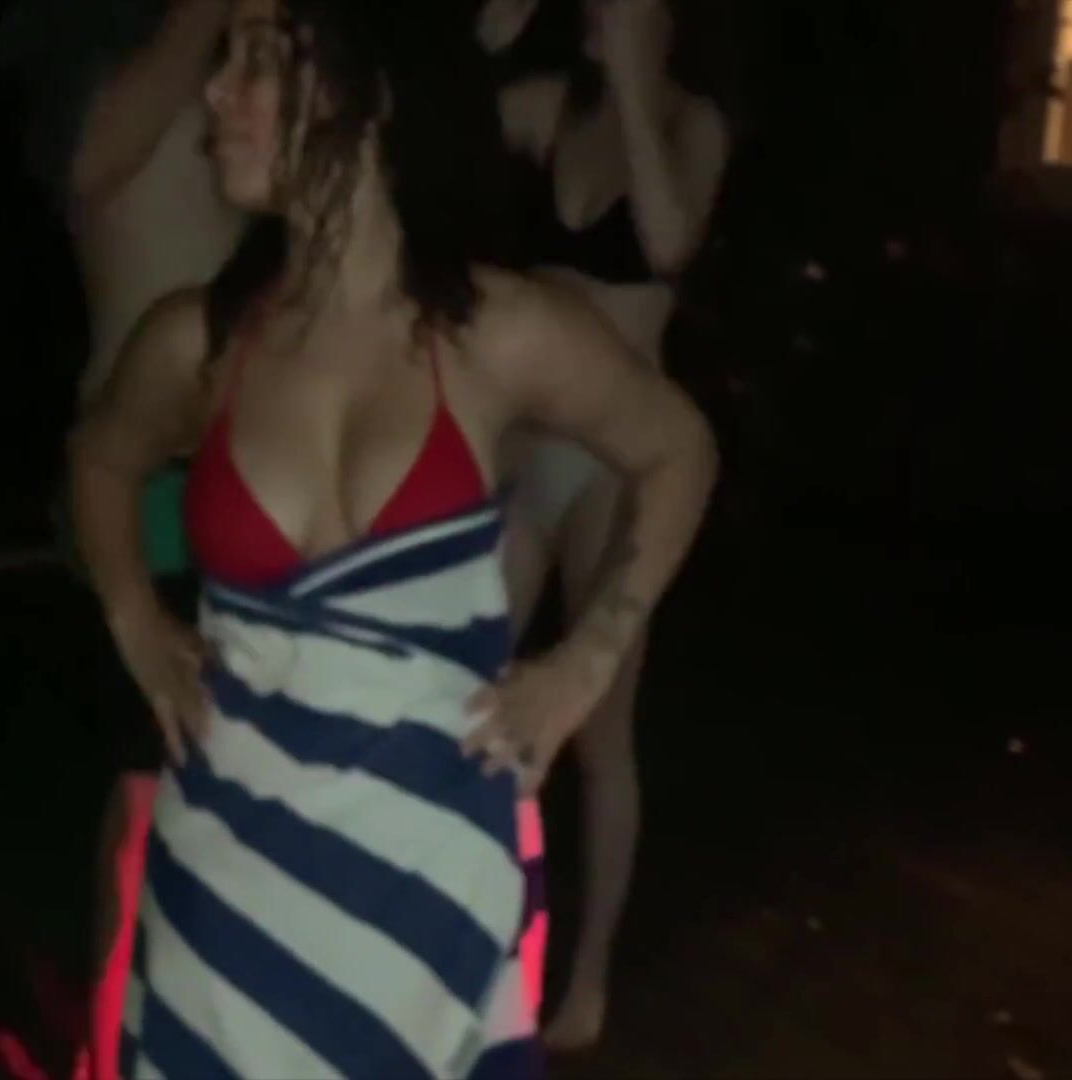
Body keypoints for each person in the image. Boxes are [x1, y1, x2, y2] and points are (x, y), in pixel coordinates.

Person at [69, 0, 717, 1073]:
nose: (216, 94)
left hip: (430, 883)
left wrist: (584, 665)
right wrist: (135, 618)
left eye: (258, 61)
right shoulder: (199, 343)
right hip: (229, 880)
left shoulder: (492, 332)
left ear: (364, 93)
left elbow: (679, 448)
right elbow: (99, 459)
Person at [0, 3, 243, 1077]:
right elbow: (91, 167)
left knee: (227, 791)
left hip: (248, 465)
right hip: (139, 481)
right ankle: (105, 1059)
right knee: (145, 792)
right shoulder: (89, 34)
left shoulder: (249, 55)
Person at [476, 0, 730, 1050]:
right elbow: (445, 112)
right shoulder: (547, 107)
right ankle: (472, 930)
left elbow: (669, 240)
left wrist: (630, 77)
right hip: (525, 448)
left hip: (620, 463)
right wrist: (498, 27)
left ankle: (587, 980)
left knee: (600, 730)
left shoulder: (689, 125)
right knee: (471, 690)